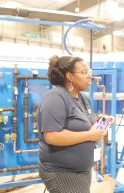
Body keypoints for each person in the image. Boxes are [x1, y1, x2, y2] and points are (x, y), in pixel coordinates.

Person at [37, 55, 114, 193]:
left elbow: (80, 122)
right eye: (84, 72)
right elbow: (52, 136)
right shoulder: (55, 98)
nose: (89, 77)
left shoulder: (83, 98)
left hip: (81, 172)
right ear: (69, 76)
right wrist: (90, 135)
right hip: (62, 173)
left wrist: (100, 121)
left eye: (89, 72)